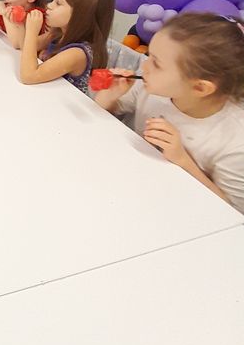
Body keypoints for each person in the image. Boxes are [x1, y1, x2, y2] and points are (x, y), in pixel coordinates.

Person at [95, 12, 244, 213]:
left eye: (156, 63)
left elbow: (233, 211)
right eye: (149, 56)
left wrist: (182, 160)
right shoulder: (153, 87)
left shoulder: (235, 142)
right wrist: (109, 96)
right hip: (131, 190)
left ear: (200, 87)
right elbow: (104, 117)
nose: (144, 66)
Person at [20, 0, 114, 93]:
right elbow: (23, 46)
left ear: (80, 15)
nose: (49, 5)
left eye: (58, 3)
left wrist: (31, 31)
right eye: (53, 0)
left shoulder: (77, 53)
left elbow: (29, 76)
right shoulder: (57, 33)